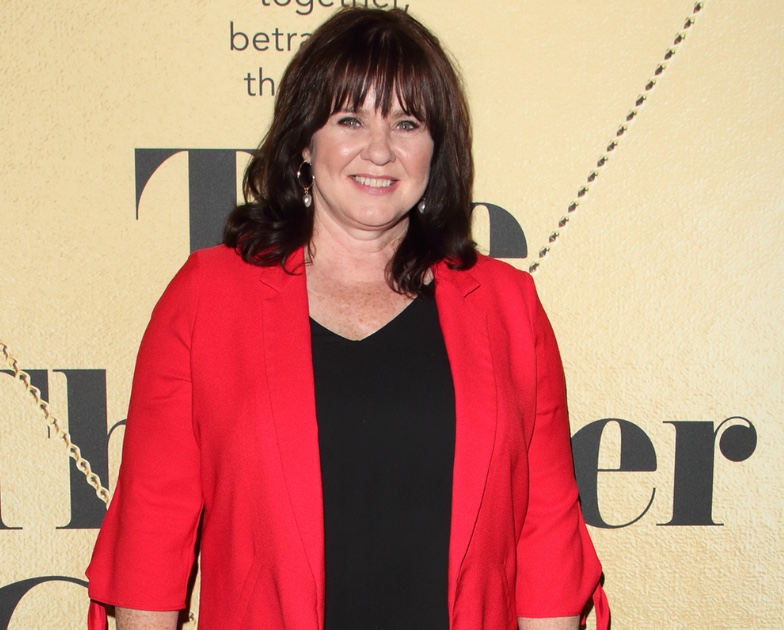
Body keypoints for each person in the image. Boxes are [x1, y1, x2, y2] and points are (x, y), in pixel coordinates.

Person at [86, 7, 608, 630]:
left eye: (407, 123)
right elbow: (152, 527)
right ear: (305, 141)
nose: (380, 150)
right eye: (351, 119)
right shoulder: (208, 297)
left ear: (436, 149)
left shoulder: (507, 306)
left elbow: (546, 535)